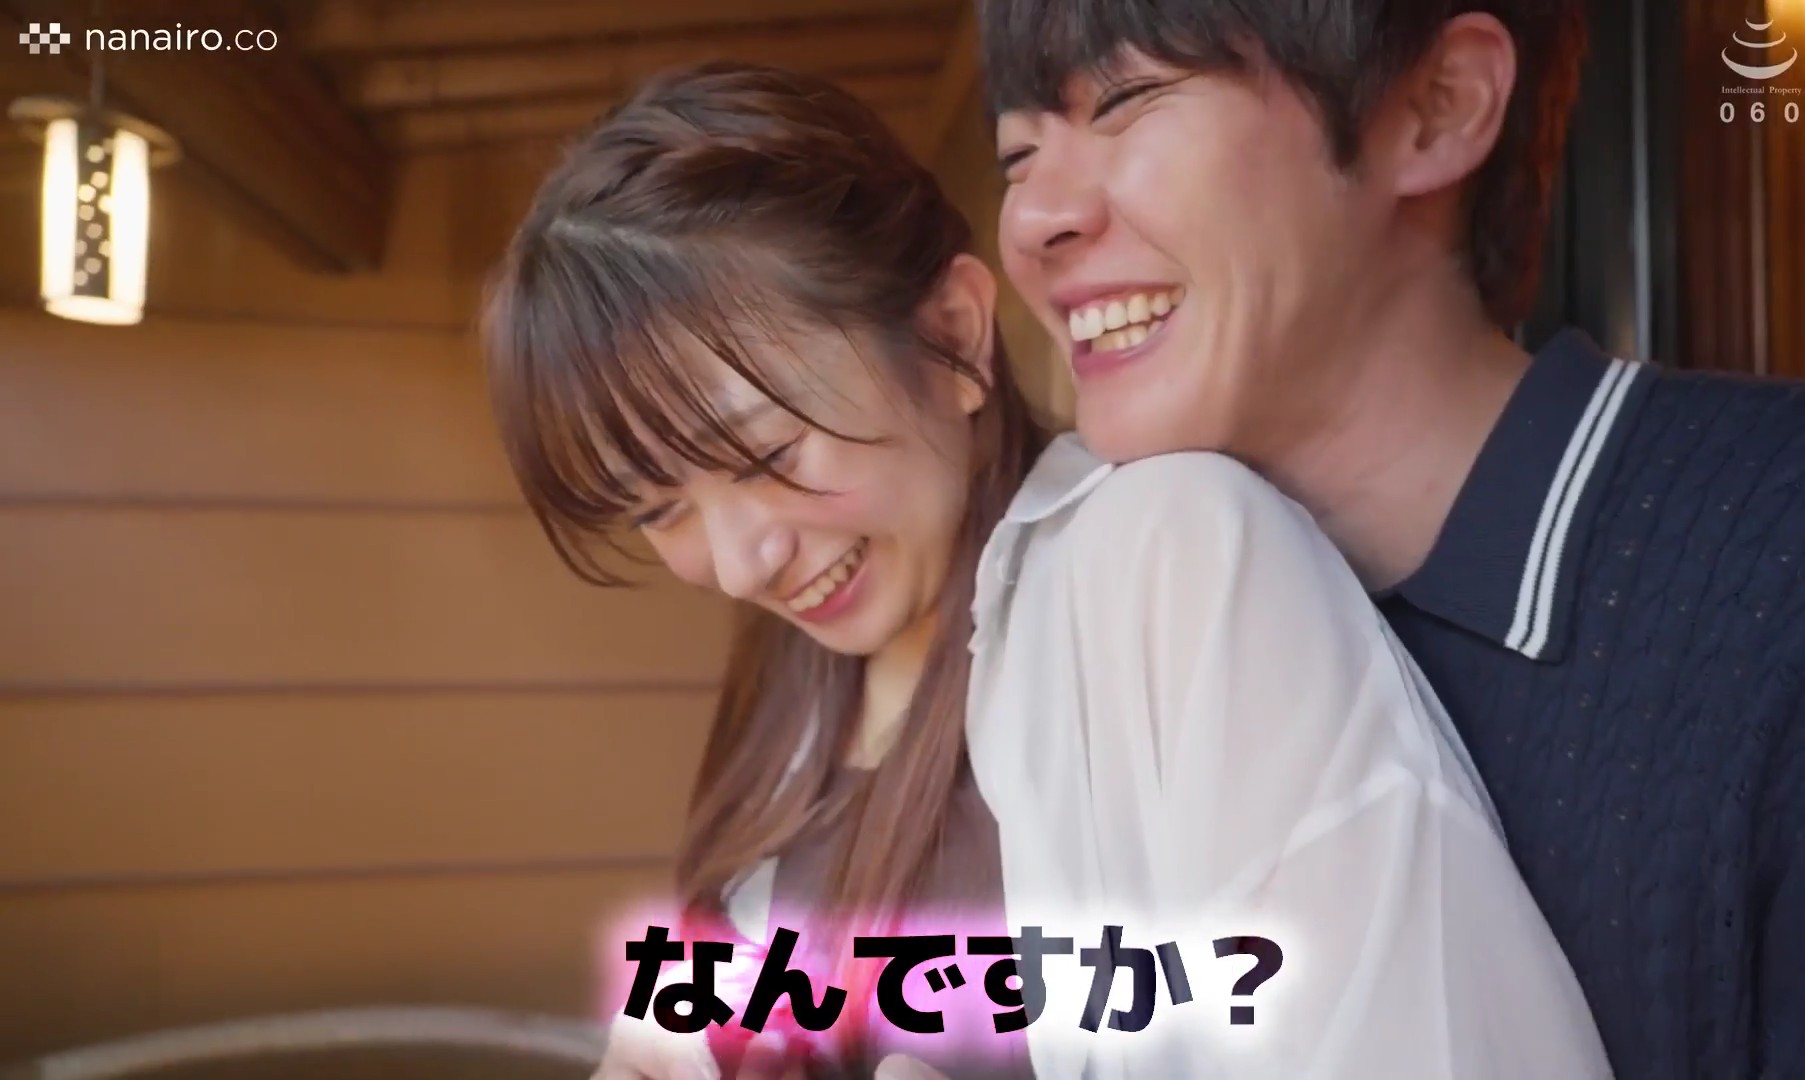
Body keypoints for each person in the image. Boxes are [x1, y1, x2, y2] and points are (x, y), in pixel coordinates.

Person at [482, 62, 1607, 1080]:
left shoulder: (1170, 566)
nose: (739, 563)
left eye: (771, 455)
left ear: (954, 336)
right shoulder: (788, 687)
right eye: (660, 509)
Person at [980, 1, 1805, 1077]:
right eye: (1016, 155)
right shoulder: (1094, 635)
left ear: (1439, 107)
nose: (1032, 220)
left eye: (1128, 100)